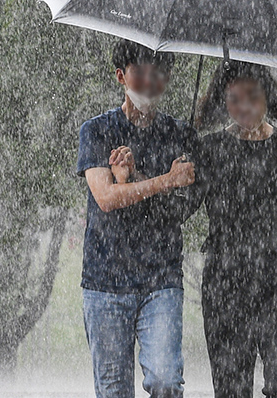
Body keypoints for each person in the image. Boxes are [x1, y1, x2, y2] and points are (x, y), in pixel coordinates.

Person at [191, 61, 277, 398]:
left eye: (252, 96)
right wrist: (172, 174)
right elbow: (179, 209)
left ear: (268, 96)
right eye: (234, 99)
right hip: (225, 286)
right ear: (223, 101)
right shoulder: (209, 150)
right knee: (231, 390)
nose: (244, 107)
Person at [77, 40, 198, 398]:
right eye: (140, 72)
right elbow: (106, 199)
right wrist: (164, 180)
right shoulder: (96, 131)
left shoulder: (181, 136)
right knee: (113, 390)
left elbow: (180, 210)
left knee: (166, 380)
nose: (149, 81)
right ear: (120, 76)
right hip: (105, 280)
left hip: (161, 279)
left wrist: (133, 179)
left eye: (158, 73)